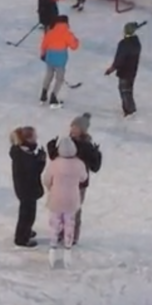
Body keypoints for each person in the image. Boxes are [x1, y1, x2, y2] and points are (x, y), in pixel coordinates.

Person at [46, 114, 102, 245]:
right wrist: (52, 148)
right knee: (60, 208)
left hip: (79, 183)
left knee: (74, 209)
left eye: (76, 127)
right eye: (72, 126)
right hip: (62, 181)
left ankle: (72, 236)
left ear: (83, 130)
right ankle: (60, 232)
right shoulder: (67, 141)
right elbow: (57, 159)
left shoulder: (86, 145)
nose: (73, 129)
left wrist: (96, 155)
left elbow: (95, 167)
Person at [43, 135, 88, 268]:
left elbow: (46, 179)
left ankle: (53, 246)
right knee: (70, 223)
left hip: (56, 198)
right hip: (72, 199)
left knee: (55, 222)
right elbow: (83, 178)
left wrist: (51, 187)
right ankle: (68, 247)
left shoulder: (55, 163)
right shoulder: (79, 164)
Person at [10, 126, 46, 248]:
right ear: (28, 139)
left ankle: (26, 231)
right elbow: (33, 171)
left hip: (25, 188)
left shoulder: (22, 151)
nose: (36, 139)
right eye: (34, 137)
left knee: (27, 213)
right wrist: (41, 161)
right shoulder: (23, 154)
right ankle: (21, 238)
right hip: (27, 189)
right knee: (27, 215)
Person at [39, 14, 79, 108]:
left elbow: (44, 44)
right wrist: (76, 40)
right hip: (60, 59)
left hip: (50, 57)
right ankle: (53, 96)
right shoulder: (67, 33)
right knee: (59, 78)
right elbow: (74, 46)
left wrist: (43, 54)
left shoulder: (50, 31)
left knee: (48, 75)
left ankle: (43, 93)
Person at [105, 22, 142, 118]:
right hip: (132, 70)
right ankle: (131, 107)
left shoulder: (124, 44)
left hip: (124, 71)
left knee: (124, 91)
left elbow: (119, 59)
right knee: (129, 89)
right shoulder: (136, 42)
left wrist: (111, 69)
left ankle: (129, 110)